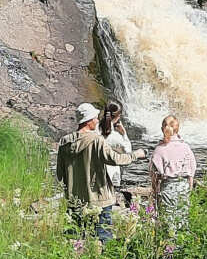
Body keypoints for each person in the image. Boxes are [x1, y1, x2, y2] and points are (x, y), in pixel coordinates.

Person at [56, 102, 143, 244]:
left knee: (74, 239)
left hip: (75, 199)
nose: (97, 121)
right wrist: (136, 155)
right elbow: (116, 159)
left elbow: (60, 174)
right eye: (95, 118)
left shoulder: (65, 142)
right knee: (103, 238)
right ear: (88, 121)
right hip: (99, 200)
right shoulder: (96, 141)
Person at [150, 113, 196, 233]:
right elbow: (191, 174)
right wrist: (189, 190)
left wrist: (155, 194)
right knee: (182, 219)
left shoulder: (159, 150)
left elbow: (154, 176)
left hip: (167, 188)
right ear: (178, 129)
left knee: (167, 222)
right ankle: (181, 247)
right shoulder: (186, 148)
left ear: (162, 129)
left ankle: (168, 249)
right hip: (183, 186)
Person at [100, 100, 133, 207]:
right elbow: (128, 152)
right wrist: (124, 134)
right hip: (111, 175)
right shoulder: (115, 137)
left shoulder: (96, 129)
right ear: (118, 117)